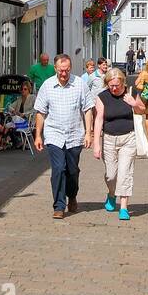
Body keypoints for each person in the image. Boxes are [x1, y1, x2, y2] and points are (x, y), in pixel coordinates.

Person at [34, 54, 96, 219]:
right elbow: (40, 111)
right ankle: (59, 206)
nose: (64, 73)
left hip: (75, 135)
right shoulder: (47, 86)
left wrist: (89, 133)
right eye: (61, 70)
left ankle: (72, 195)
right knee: (58, 169)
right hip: (54, 134)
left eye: (67, 70)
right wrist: (38, 135)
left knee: (72, 171)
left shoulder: (79, 84)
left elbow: (88, 109)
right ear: (55, 68)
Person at [93, 67, 147, 221]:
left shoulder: (132, 93)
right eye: (111, 86)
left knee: (125, 173)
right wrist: (96, 144)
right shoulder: (102, 97)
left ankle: (124, 207)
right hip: (109, 139)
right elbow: (98, 120)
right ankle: (111, 194)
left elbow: (142, 110)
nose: (114, 89)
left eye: (117, 85)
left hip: (128, 138)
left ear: (123, 82)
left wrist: (133, 104)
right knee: (111, 175)